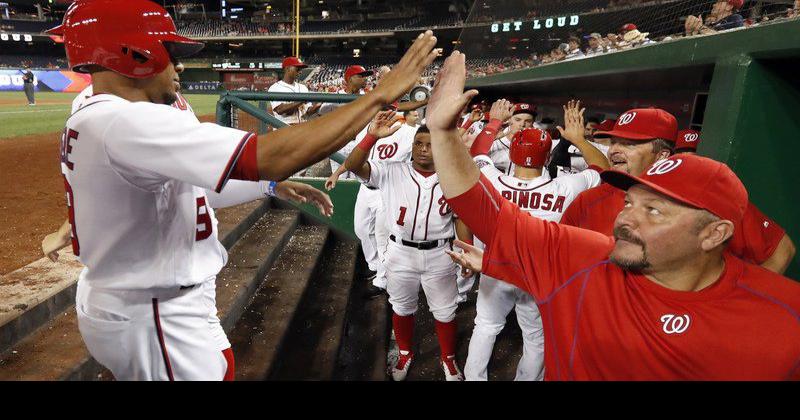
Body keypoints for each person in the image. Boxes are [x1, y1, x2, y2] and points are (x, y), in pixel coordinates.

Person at [46, 0, 439, 380]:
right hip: (152, 312)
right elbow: (268, 155)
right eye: (166, 49)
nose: (177, 63)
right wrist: (377, 97)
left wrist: (270, 184)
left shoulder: (99, 110)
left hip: (146, 303)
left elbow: (189, 190)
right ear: (132, 53)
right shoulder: (123, 121)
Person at [426, 51, 800, 380]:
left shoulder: (784, 318)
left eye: (653, 210)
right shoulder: (590, 248)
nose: (626, 220)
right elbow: (496, 220)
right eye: (628, 204)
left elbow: (776, 252)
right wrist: (442, 134)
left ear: (715, 234)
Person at [460, 98, 609, 381]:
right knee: (535, 339)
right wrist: (578, 139)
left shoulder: (491, 178)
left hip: (494, 265)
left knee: (486, 327)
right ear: (548, 158)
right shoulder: (565, 186)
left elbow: (478, 151)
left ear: (512, 154)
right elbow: (602, 168)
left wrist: (493, 122)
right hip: (539, 273)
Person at [560, 109, 796, 274]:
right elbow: (562, 257)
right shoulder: (590, 200)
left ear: (662, 155)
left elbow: (781, 250)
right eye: (615, 142)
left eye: (630, 144)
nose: (616, 150)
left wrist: (743, 305)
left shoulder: (703, 199)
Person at [336, 113, 465, 381]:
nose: (422, 149)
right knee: (402, 307)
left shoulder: (453, 175)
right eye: (418, 143)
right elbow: (353, 164)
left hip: (440, 253)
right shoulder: (392, 170)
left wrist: (465, 251)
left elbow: (460, 217)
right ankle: (405, 353)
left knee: (445, 311)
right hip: (401, 252)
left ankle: (448, 360)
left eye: (430, 145)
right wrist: (371, 136)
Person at [327, 107, 421, 298]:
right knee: (361, 229)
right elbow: (356, 155)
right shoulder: (369, 128)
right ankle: (376, 266)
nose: (385, 112)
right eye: (382, 108)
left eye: (390, 108)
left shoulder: (409, 133)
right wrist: (337, 173)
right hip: (365, 187)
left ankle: (383, 280)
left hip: (387, 189)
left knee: (383, 237)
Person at [267, 56, 321, 125]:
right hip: (284, 127)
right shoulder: (275, 88)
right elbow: (280, 110)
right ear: (287, 69)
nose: (300, 72)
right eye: (297, 69)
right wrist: (302, 100)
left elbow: (308, 112)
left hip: (302, 127)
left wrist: (319, 104)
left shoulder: (303, 87)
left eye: (301, 69)